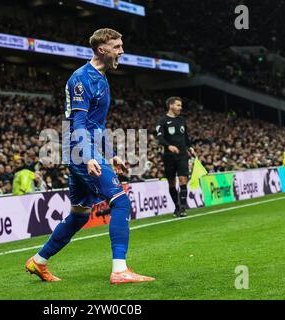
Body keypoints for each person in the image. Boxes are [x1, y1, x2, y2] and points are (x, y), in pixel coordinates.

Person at [25, 28, 155, 284]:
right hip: (81, 150)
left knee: (79, 215)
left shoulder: (101, 78)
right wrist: (88, 156)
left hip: (86, 149)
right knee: (120, 202)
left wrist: (112, 154)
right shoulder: (82, 78)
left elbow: (96, 125)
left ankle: (38, 262)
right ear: (101, 50)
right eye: (117, 47)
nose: (122, 51)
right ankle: (120, 270)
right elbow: (79, 123)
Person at [156, 97, 196, 218]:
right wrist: (169, 146)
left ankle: (183, 207)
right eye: (178, 105)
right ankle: (177, 207)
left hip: (183, 155)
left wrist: (190, 147)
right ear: (171, 106)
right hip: (169, 156)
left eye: (181, 105)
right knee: (172, 183)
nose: (180, 107)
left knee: (183, 179)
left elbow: (186, 136)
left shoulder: (182, 120)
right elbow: (160, 138)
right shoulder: (162, 121)